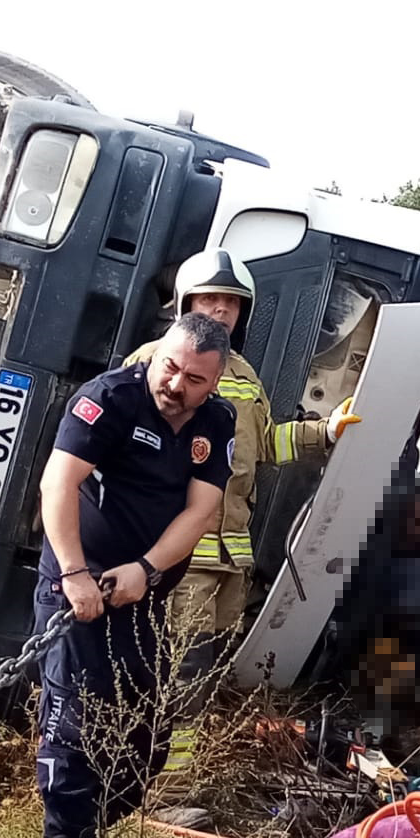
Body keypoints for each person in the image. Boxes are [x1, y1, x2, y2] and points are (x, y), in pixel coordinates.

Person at [124, 249, 360, 798]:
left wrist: (324, 433)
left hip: (230, 557)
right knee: (181, 666)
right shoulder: (150, 363)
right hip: (178, 555)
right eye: (209, 299)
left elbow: (263, 444)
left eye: (230, 303)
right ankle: (165, 791)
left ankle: (172, 777)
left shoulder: (245, 377)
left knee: (202, 673)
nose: (221, 310)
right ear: (184, 303)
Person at [34, 312, 236, 838]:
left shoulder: (216, 423)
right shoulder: (110, 398)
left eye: (194, 379)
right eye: (170, 367)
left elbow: (199, 512)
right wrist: (74, 573)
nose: (176, 385)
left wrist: (146, 570)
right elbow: (57, 484)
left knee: (146, 739)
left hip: (140, 594)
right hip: (77, 589)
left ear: (214, 383)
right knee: (78, 729)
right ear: (157, 356)